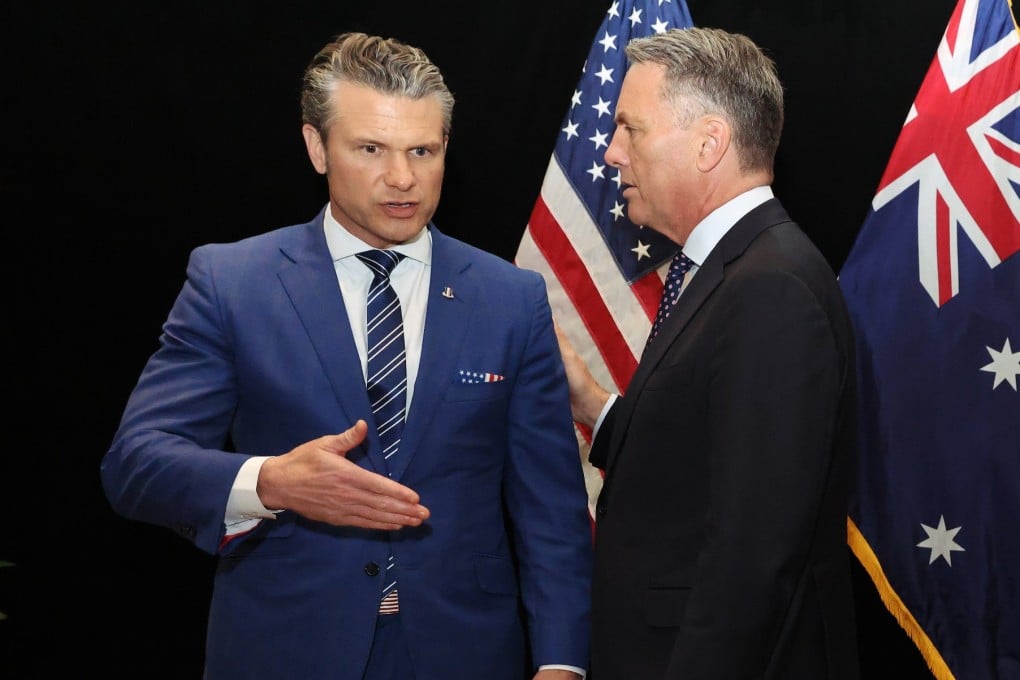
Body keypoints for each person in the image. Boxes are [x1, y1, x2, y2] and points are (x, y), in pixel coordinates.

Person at [101, 32, 592, 680]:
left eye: (424, 150)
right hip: (283, 650)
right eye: (371, 149)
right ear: (316, 147)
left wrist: (562, 664)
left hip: (464, 654)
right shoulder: (233, 282)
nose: (403, 178)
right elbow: (135, 464)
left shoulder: (511, 298)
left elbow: (551, 513)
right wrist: (271, 482)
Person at [555, 27, 860, 679]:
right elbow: (702, 460)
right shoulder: (732, 266)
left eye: (630, 130)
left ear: (709, 142)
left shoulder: (771, 285)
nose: (610, 154)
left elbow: (751, 554)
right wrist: (592, 402)